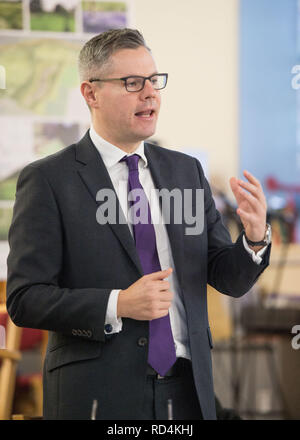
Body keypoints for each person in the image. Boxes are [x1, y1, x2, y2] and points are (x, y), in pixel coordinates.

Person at [6, 28, 271, 420]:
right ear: (90, 94)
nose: (150, 93)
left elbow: (226, 277)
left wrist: (253, 238)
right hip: (97, 391)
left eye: (154, 80)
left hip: (186, 390)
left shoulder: (185, 172)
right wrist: (119, 303)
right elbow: (25, 299)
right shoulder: (48, 179)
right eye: (132, 83)